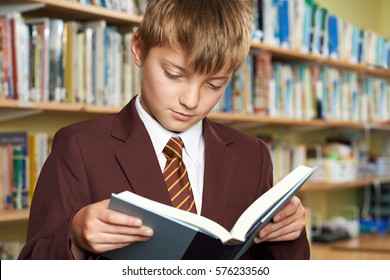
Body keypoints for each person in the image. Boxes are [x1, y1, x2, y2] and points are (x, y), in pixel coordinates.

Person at [18, 0, 310, 260]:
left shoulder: (252, 154)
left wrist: (288, 231)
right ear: (139, 50)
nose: (191, 101)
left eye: (214, 84)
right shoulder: (79, 147)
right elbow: (33, 264)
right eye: (174, 75)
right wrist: (75, 237)